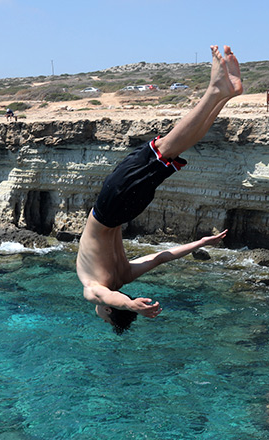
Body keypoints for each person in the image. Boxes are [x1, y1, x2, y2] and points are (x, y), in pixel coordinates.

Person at [76, 45, 242, 334]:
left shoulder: (125, 275)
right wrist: (128, 306)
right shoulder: (94, 287)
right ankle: (215, 91)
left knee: (171, 151)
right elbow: (104, 297)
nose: (98, 312)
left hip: (131, 209)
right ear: (109, 312)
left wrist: (200, 244)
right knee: (164, 147)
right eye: (103, 316)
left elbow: (163, 256)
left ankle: (224, 95)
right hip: (110, 206)